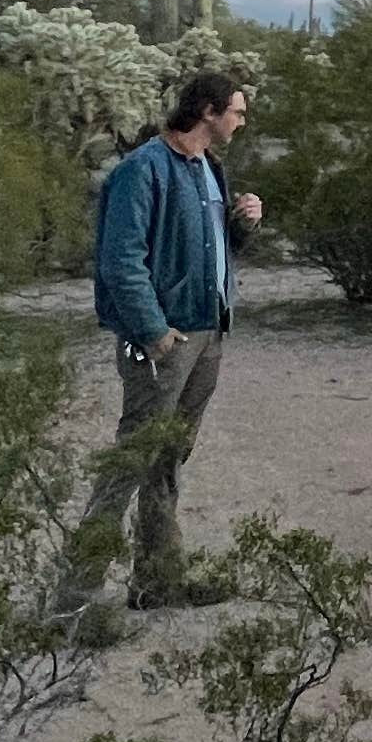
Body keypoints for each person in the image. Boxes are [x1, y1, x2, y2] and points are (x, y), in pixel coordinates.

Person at [67, 63, 263, 612]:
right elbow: (120, 261)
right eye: (237, 112)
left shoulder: (208, 168)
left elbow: (212, 251)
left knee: (167, 460)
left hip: (207, 331)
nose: (242, 122)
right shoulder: (144, 169)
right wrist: (153, 332)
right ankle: (72, 599)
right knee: (131, 462)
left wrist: (242, 224)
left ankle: (157, 583)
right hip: (167, 339)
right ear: (208, 111)